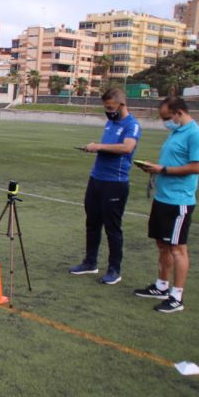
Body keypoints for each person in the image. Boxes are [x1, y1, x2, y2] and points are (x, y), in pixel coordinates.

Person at [133, 97, 199, 313]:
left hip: (179, 202)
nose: (165, 121)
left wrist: (162, 170)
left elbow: (196, 167)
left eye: (167, 117)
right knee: (162, 245)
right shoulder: (176, 132)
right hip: (162, 198)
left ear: (179, 112)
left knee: (177, 249)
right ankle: (161, 286)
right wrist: (154, 168)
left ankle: (177, 297)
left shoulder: (196, 135)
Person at [70, 88, 141, 284]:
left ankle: (114, 270)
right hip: (96, 179)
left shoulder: (132, 125)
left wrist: (99, 146)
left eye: (111, 107)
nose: (108, 111)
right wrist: (94, 148)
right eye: (106, 108)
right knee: (92, 222)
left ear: (121, 105)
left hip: (115, 183)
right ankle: (90, 262)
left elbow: (127, 147)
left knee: (112, 228)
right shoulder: (111, 123)